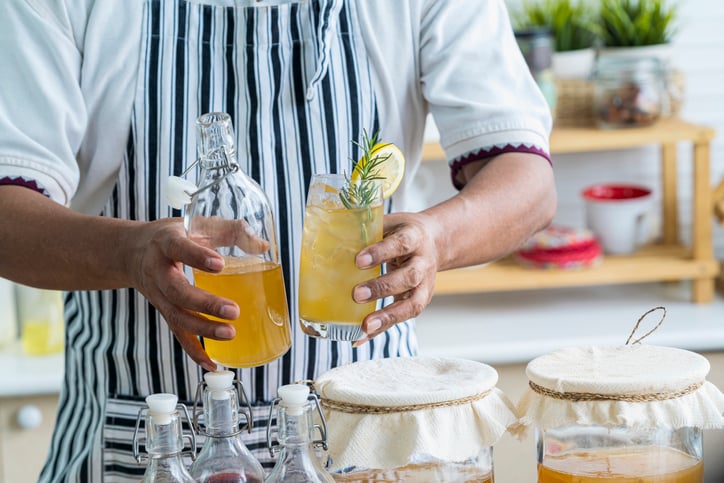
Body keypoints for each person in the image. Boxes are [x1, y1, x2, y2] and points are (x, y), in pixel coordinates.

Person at [0, 0, 556, 480]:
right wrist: (129, 252)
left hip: (370, 444)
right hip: (142, 441)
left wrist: (439, 237)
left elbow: (528, 182)